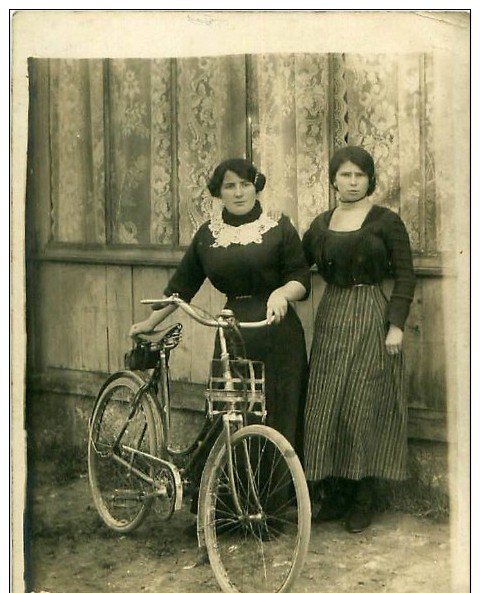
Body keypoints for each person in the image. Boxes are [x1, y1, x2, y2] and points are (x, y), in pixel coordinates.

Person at [130, 157, 311, 521]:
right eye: (230, 186)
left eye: (245, 184)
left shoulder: (278, 226)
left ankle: (273, 507)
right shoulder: (207, 235)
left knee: (279, 411)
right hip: (231, 332)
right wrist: (150, 321)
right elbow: (181, 288)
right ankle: (231, 507)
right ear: (219, 192)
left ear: (256, 186)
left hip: (278, 334)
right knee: (232, 416)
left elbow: (301, 279)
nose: (239, 192)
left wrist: (281, 294)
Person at [302, 146, 416, 533]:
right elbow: (296, 268)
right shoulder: (320, 225)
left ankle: (363, 495)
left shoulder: (386, 221)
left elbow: (405, 276)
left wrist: (396, 325)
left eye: (359, 176)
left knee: (363, 403)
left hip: (371, 313)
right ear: (333, 179)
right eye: (345, 175)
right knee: (326, 401)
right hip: (332, 314)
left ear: (370, 180)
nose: (352, 182)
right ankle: (334, 492)